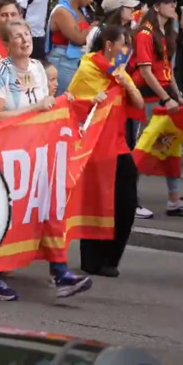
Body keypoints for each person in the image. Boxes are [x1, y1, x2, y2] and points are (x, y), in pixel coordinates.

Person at [0, 19, 92, 300]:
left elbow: (46, 109)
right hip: (8, 152)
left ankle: (60, 272)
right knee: (8, 213)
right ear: (6, 44)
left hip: (38, 151)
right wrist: (35, 109)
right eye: (17, 36)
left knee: (49, 208)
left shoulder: (37, 69)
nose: (24, 40)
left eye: (27, 34)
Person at [70, 24, 146, 278]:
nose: (127, 49)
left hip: (118, 143)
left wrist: (127, 84)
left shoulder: (119, 70)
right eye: (124, 44)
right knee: (96, 200)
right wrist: (95, 99)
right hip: (94, 146)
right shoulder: (88, 68)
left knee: (126, 201)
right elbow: (75, 104)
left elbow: (138, 103)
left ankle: (112, 256)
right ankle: (92, 259)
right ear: (109, 45)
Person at [130, 0, 183, 217]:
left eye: (174, 2)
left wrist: (177, 95)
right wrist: (165, 99)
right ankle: (130, 200)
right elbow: (146, 72)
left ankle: (174, 200)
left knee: (172, 147)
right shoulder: (144, 33)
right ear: (156, 6)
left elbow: (166, 69)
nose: (174, 5)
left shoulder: (167, 31)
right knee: (143, 148)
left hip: (163, 95)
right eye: (169, 2)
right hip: (149, 98)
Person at [46, 0, 96, 95]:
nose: (91, 1)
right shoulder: (62, 11)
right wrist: (92, 28)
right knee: (63, 97)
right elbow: (78, 38)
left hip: (76, 59)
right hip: (63, 60)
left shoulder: (82, 10)